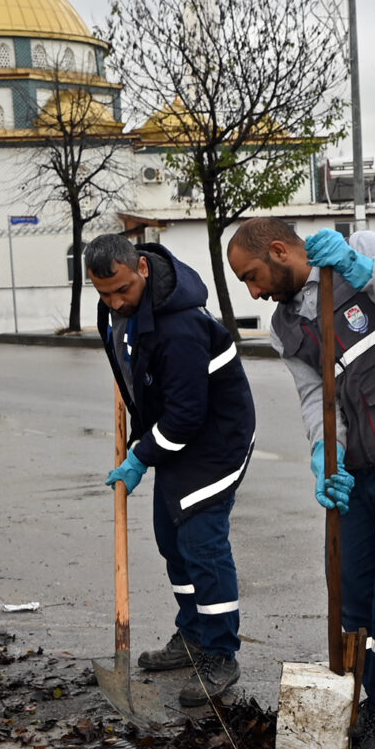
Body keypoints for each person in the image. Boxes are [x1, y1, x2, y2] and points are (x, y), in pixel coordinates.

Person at [226, 216, 375, 749]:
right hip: (358, 461)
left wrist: (364, 271)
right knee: (353, 588)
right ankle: (354, 699)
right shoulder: (285, 327)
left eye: (253, 276)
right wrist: (325, 452)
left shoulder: (361, 250)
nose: (253, 291)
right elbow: (315, 397)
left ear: (280, 251)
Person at [88, 229, 256, 708]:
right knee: (170, 535)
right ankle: (195, 633)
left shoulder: (180, 325)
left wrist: (140, 456)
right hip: (178, 434)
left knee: (200, 541)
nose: (116, 302)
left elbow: (186, 413)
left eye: (123, 290)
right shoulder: (118, 308)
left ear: (142, 268)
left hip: (216, 437)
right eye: (105, 294)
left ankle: (220, 652)